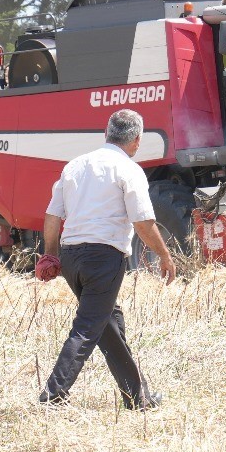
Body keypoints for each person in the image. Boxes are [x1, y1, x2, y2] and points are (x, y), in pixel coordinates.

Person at [36, 108, 176, 410]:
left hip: (72, 256)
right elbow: (142, 222)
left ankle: (138, 398)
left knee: (108, 322)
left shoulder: (75, 165)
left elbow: (52, 215)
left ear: (106, 133)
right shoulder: (128, 169)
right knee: (88, 326)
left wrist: (50, 254)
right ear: (137, 141)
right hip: (103, 257)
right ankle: (53, 394)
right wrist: (165, 256)